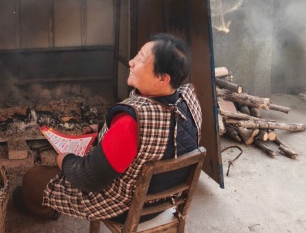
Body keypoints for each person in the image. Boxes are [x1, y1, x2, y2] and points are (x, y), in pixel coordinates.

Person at [14, 33, 202, 224]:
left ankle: (43, 210)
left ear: (162, 78)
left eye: (141, 59)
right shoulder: (188, 99)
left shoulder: (130, 123)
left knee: (32, 179)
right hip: (165, 197)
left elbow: (90, 178)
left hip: (128, 207)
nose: (131, 62)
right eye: (136, 55)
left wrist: (65, 160)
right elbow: (155, 130)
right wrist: (101, 128)